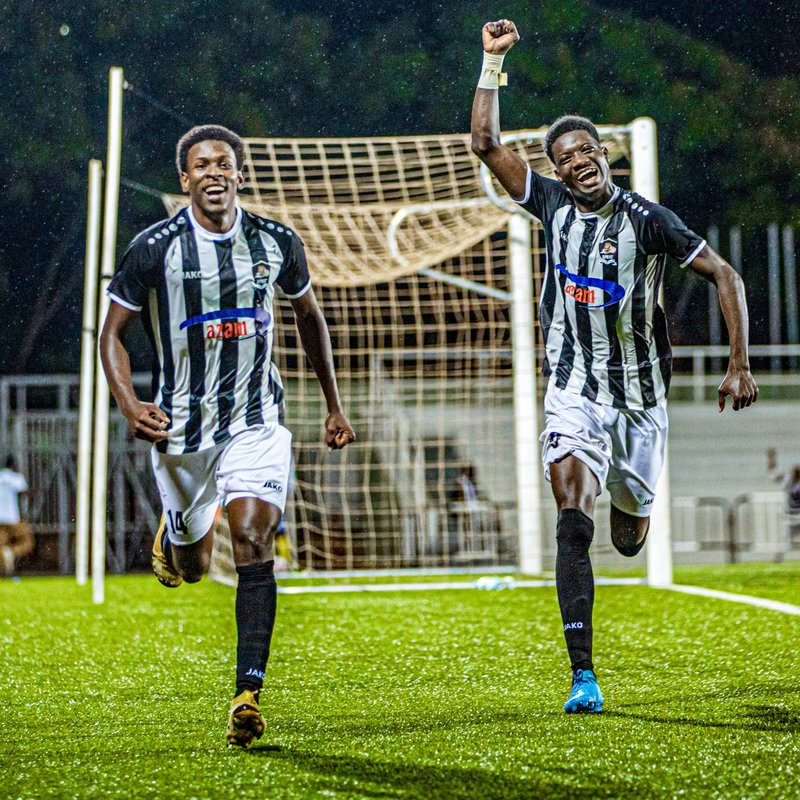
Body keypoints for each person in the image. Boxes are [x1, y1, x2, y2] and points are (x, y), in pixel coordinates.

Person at [471, 20, 759, 714]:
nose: (579, 161)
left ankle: (635, 514)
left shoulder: (649, 219)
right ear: (558, 169)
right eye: (565, 156)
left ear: (606, 155)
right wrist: (490, 63)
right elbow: (485, 144)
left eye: (587, 150)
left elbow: (724, 275)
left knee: (627, 537)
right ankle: (583, 675)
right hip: (573, 390)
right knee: (574, 518)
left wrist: (739, 364)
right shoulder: (544, 203)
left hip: (639, 401)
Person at [99, 124, 355, 748]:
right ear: (184, 180)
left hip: (256, 420)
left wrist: (332, 404)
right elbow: (111, 336)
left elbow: (309, 317)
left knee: (252, 536)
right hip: (181, 426)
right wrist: (130, 405)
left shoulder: (276, 242)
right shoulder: (153, 249)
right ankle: (179, 524)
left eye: (224, 163)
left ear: (239, 173)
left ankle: (248, 691)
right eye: (201, 165)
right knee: (191, 566)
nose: (214, 172)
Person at [0, 456, 35, 577]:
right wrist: (23, 516)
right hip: (13, 519)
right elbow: (22, 496)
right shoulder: (16, 478)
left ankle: (4, 572)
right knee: (28, 542)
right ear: (14, 465)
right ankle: (12, 552)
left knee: (2, 545)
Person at [767, 448, 800, 543]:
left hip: (796, 514)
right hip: (791, 515)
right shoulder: (788, 480)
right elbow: (774, 473)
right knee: (785, 540)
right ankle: (779, 553)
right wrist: (771, 459)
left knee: (786, 540)